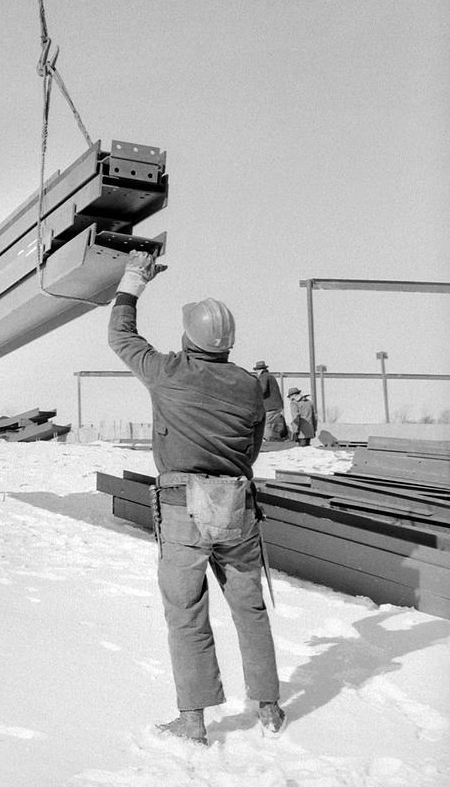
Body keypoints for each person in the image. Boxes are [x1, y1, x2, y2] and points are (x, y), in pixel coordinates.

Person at [108, 251, 284, 746]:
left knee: (187, 613)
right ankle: (268, 706)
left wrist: (133, 281)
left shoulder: (167, 372)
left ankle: (193, 723)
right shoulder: (250, 386)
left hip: (183, 505)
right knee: (249, 608)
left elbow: (121, 337)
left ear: (188, 337)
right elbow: (252, 447)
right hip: (236, 504)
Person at [252, 360, 287, 441]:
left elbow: (262, 389)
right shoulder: (270, 376)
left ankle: (266, 442)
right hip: (277, 406)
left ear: (259, 370)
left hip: (270, 407)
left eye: (256, 371)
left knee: (267, 424)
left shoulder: (263, 376)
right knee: (274, 426)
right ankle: (275, 441)